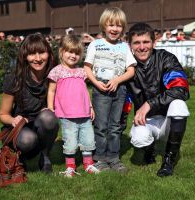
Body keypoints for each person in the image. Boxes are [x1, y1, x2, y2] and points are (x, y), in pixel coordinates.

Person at [126, 23, 190, 177]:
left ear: (154, 43)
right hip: (146, 121)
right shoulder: (127, 67)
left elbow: (181, 88)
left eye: (146, 42)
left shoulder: (166, 58)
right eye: (137, 43)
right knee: (139, 138)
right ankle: (149, 148)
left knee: (179, 104)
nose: (142, 47)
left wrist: (149, 103)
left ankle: (169, 160)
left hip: (168, 121)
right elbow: (123, 102)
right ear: (130, 45)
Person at [84, 7, 137, 173]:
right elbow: (87, 68)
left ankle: (114, 159)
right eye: (111, 25)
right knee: (100, 126)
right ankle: (100, 159)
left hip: (119, 90)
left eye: (119, 25)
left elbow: (131, 70)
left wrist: (117, 80)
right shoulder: (95, 45)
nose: (115, 29)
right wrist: (96, 83)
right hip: (100, 90)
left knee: (115, 126)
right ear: (103, 25)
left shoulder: (124, 47)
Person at [0, 33, 59, 174]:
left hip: (41, 124)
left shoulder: (55, 76)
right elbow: (2, 114)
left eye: (41, 53)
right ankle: (21, 156)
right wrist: (13, 120)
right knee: (27, 140)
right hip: (19, 128)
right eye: (32, 54)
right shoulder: (14, 78)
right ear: (24, 56)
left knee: (48, 117)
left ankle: (45, 157)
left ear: (49, 54)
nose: (38, 59)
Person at [47, 34, 99, 177]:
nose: (73, 55)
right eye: (70, 51)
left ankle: (88, 164)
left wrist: (90, 107)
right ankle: (70, 167)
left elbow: (84, 92)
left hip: (84, 114)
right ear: (61, 52)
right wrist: (50, 108)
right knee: (70, 142)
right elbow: (51, 91)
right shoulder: (57, 71)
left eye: (77, 53)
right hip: (67, 115)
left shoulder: (82, 72)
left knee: (88, 140)